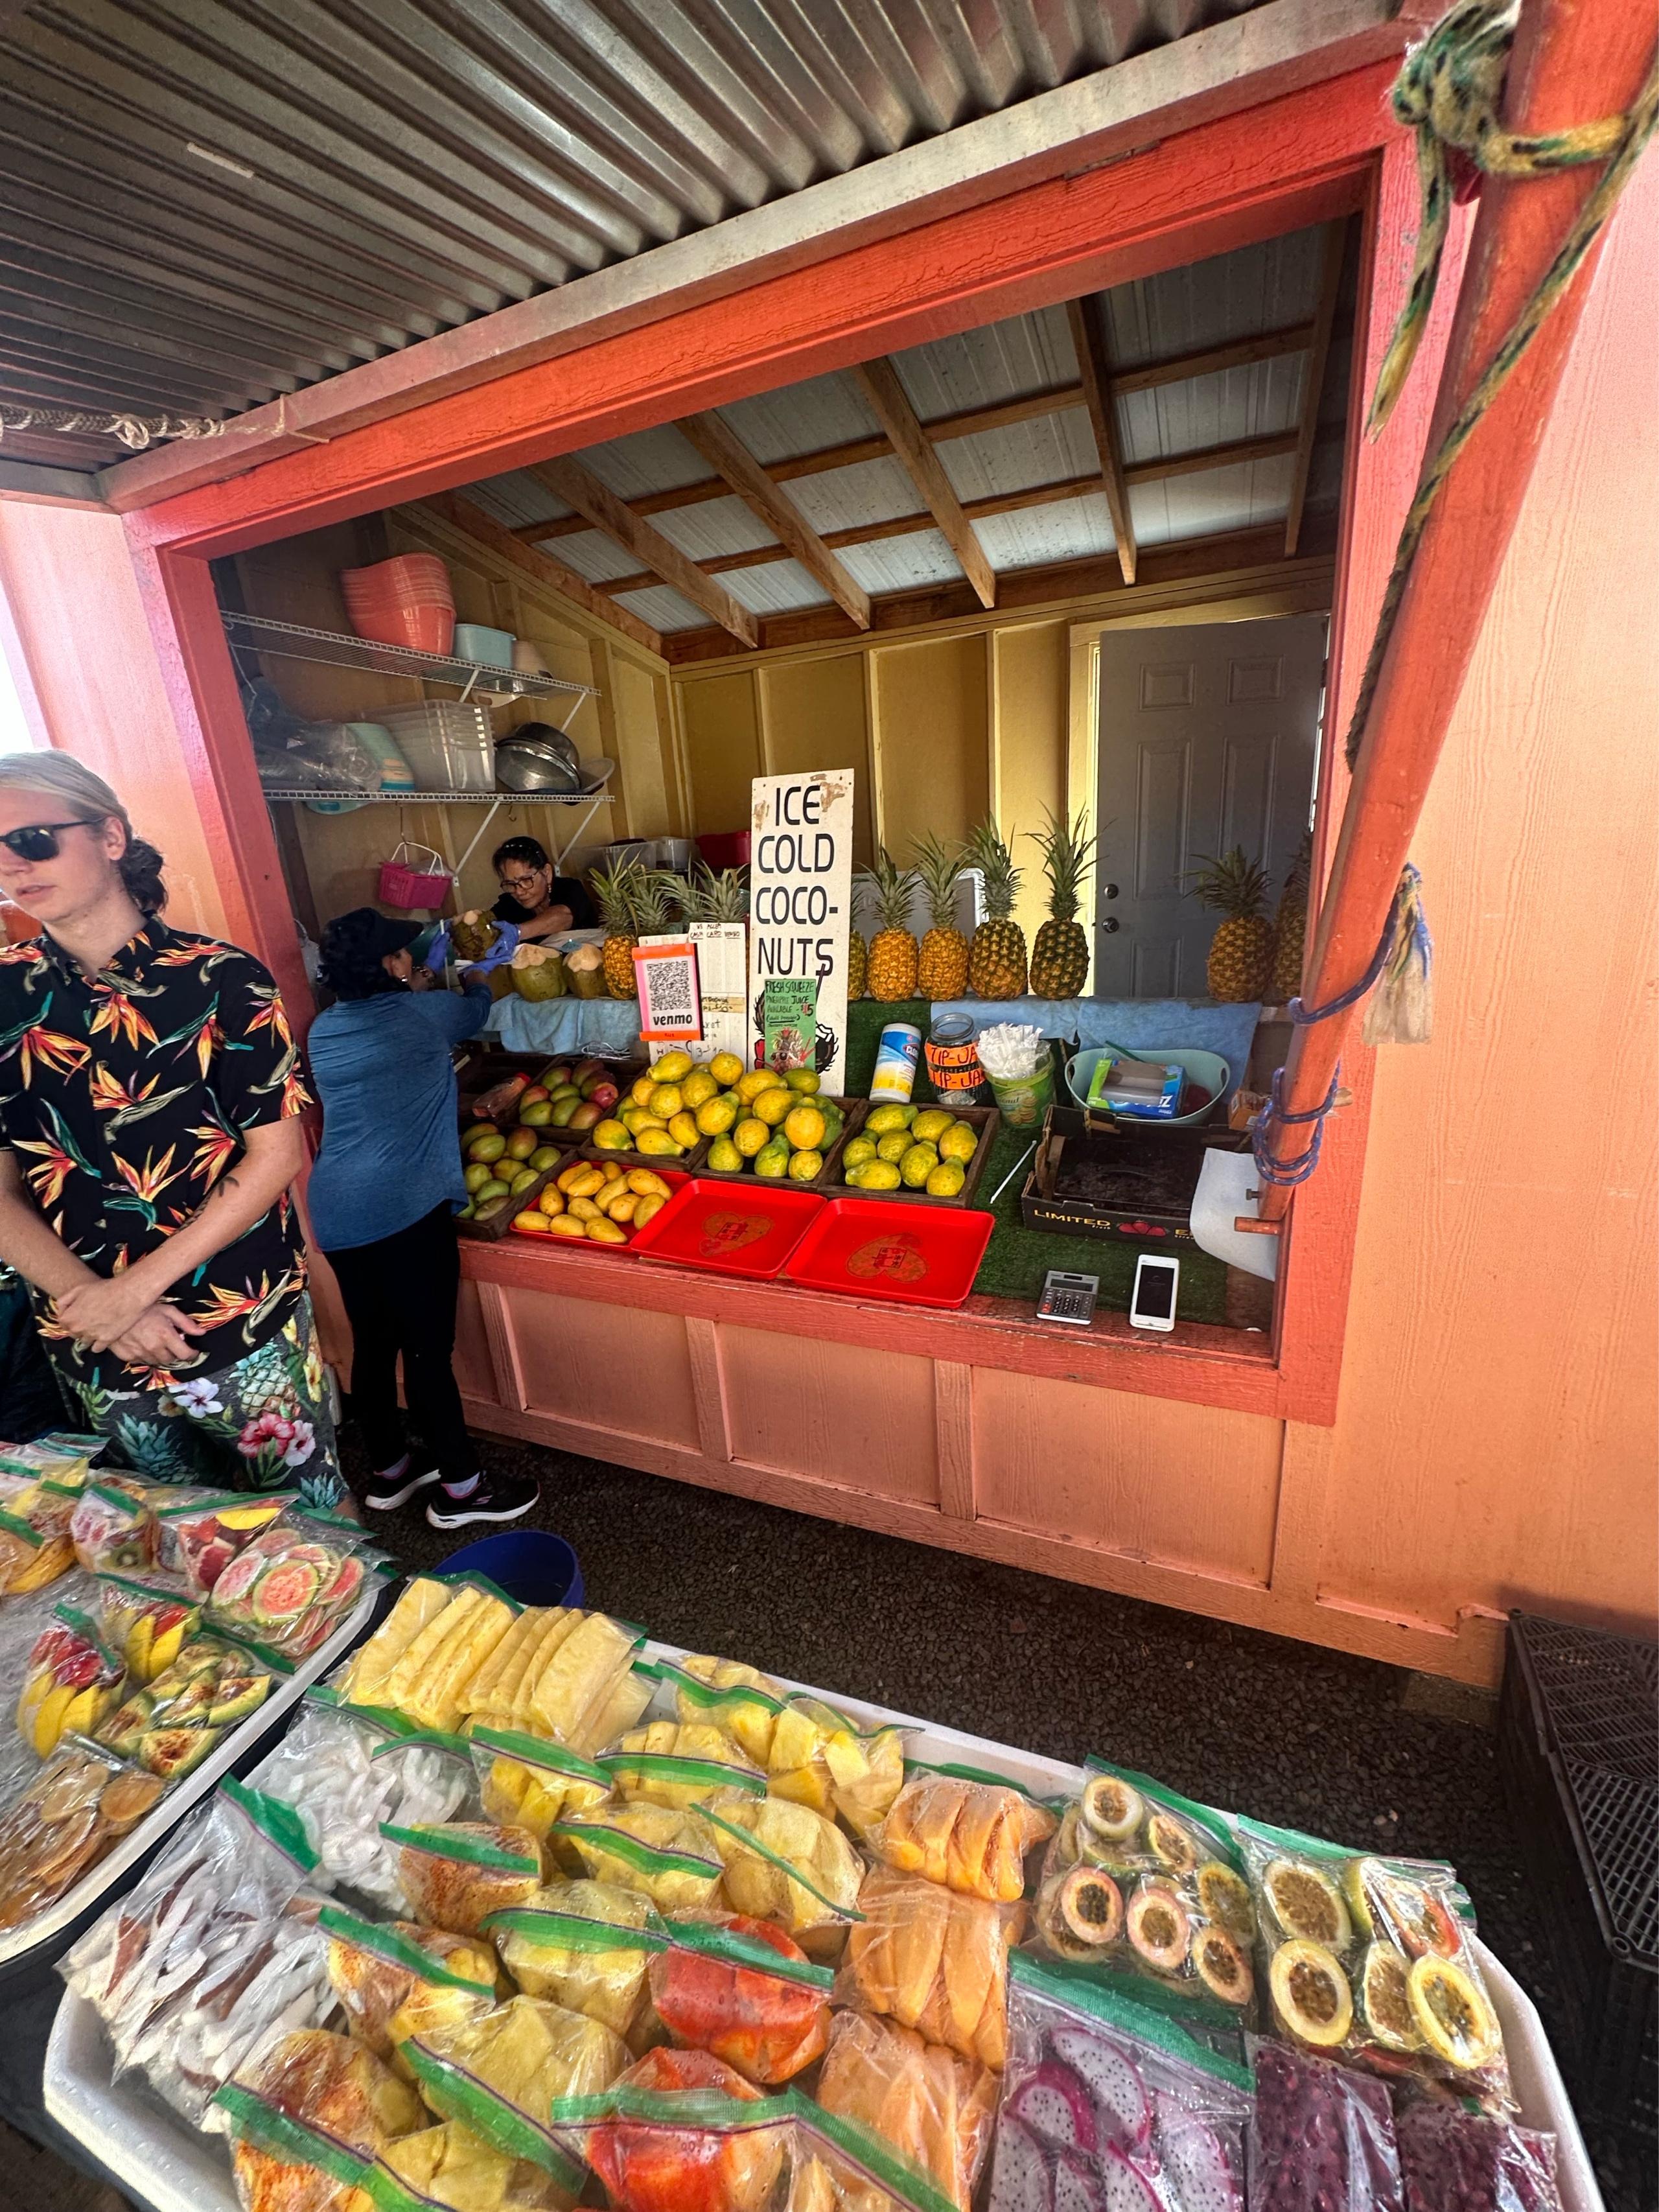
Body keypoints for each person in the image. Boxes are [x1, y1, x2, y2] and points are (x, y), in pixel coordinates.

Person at [0, 754, 345, 1506]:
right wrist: (94, 1299)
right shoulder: (3, 994)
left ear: (111, 836)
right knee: (159, 1550)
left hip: (239, 1316)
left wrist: (131, 1292)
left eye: (32, 839)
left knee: (311, 1529)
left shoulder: (222, 978)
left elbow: (275, 1154)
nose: (13, 867)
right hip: (92, 1338)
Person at [307, 908, 541, 1528]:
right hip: (406, 1207)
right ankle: (463, 1490)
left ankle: (390, 1470)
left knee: (375, 1342)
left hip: (337, 1209)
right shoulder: (422, 1014)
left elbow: (395, 1014)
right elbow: (474, 1009)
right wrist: (480, 972)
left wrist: (424, 972)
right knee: (429, 1351)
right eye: (404, 954)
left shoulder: (324, 1028)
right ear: (391, 964)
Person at [491, 834, 595, 942]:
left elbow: (563, 917)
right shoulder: (509, 904)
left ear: (547, 873)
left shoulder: (570, 888)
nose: (519, 891)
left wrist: (518, 932)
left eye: (526, 880)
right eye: (510, 884)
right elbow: (488, 925)